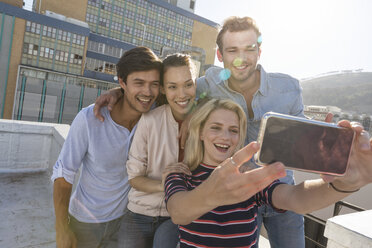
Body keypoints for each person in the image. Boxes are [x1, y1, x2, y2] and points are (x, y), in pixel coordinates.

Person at [93, 16, 306, 247]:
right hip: (238, 197)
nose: (241, 58)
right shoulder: (206, 85)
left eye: (249, 49)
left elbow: (304, 141)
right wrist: (119, 93)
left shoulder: (289, 88)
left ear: (259, 51)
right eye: (233, 50)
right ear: (220, 55)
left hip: (280, 191)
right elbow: (167, 90)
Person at [164, 98, 372, 248]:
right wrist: (213, 192)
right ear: (200, 132)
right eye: (215, 128)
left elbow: (297, 199)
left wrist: (348, 184)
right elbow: (179, 212)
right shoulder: (181, 174)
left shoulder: (250, 178)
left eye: (233, 130)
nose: (225, 137)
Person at [51, 47, 162, 248]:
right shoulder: (89, 119)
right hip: (85, 222)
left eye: (154, 84)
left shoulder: (154, 116)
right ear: (122, 82)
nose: (147, 92)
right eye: (139, 83)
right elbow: (63, 176)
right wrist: (61, 228)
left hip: (125, 222)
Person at [118, 53, 197, 248]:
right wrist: (167, 183)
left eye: (188, 84)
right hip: (139, 214)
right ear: (162, 88)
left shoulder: (206, 121)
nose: (182, 94)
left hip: (176, 217)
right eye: (172, 87)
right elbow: (134, 178)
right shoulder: (149, 121)